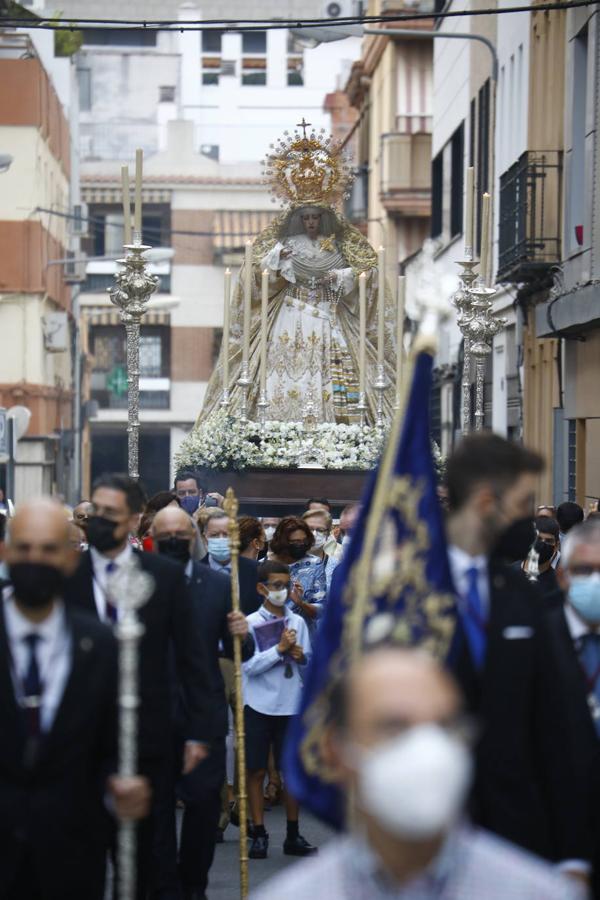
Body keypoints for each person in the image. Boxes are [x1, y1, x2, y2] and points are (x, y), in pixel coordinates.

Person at [251, 647, 584, 900]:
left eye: (444, 726)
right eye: (394, 727)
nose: (426, 750)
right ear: (335, 751)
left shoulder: (540, 892)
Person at [445, 433, 592, 878]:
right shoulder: (404, 595)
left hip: (517, 844)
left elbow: (560, 731)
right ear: (488, 501)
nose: (530, 521)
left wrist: (572, 854)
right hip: (425, 843)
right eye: (524, 504)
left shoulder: (524, 598)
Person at [64, 473, 212, 899]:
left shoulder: (162, 576)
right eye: (95, 511)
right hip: (80, 740)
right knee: (82, 854)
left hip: (149, 737)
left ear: (133, 519)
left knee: (152, 856)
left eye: (111, 513)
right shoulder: (68, 576)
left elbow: (192, 658)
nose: (99, 520)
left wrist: (199, 730)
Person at [0, 499, 150, 900]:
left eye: (49, 549)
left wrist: (120, 785)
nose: (36, 559)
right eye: (25, 548)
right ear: (5, 552)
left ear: (70, 558)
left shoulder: (100, 645)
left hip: (71, 850)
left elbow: (110, 743)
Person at [152, 506, 254, 900]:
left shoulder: (216, 585)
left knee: (203, 801)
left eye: (181, 533)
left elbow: (239, 652)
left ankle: (193, 884)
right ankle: (163, 887)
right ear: (154, 539)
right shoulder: (139, 581)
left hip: (203, 708)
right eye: (166, 535)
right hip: (154, 708)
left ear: (193, 536)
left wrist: (240, 634)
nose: (174, 540)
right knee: (156, 806)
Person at [541, 518, 600, 898]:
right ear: (562, 576)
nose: (594, 582)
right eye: (584, 570)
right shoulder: (528, 640)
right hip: (551, 843)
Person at [243, 560, 316, 860]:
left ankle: (293, 832)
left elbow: (308, 661)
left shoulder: (296, 622)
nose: (281, 591)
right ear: (262, 588)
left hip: (290, 704)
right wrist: (279, 651)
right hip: (259, 703)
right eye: (275, 586)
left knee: (290, 771)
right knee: (256, 769)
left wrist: (299, 655)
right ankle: (259, 832)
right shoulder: (249, 622)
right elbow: (249, 666)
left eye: (285, 586)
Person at [270, 516, 327, 633]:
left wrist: (301, 603)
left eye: (304, 541)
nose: (301, 545)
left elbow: (321, 610)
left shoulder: (314, 564)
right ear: (283, 542)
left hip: (303, 635)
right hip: (272, 635)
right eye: (295, 542)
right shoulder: (264, 565)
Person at [200, 508, 262, 615]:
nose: (221, 539)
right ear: (205, 537)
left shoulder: (257, 571)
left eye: (226, 535)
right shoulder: (194, 572)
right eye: (214, 535)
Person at [518, 515, 560, 596]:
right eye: (538, 539)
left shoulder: (558, 584)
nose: (542, 544)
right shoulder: (509, 575)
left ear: (556, 546)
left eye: (548, 541)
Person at [303, 508, 340, 592]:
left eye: (320, 530)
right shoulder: (290, 562)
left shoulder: (335, 565)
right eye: (309, 529)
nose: (314, 534)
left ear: (328, 533)